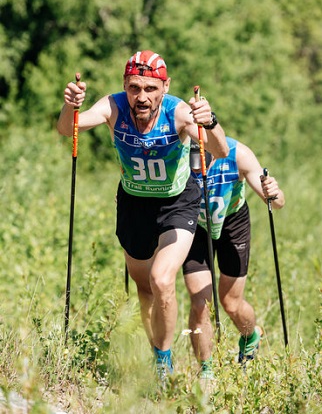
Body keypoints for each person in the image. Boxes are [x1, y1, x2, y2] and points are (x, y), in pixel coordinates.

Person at [57, 50, 229, 379]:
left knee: (162, 280)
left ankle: (164, 365)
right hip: (134, 204)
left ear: (165, 87)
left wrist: (211, 121)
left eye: (151, 89)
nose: (141, 97)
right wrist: (71, 105)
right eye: (135, 87)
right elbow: (69, 129)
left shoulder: (178, 113)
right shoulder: (113, 106)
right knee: (145, 289)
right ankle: (159, 352)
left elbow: (219, 151)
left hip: (177, 202)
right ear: (125, 85)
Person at [183, 137, 285, 378]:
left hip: (232, 224)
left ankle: (251, 336)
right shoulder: (177, 150)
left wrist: (274, 192)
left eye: (203, 161)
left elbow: (277, 203)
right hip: (194, 226)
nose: (197, 168)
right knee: (200, 303)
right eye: (193, 161)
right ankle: (206, 371)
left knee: (230, 302)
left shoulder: (237, 154)